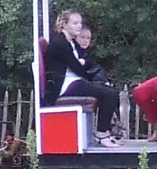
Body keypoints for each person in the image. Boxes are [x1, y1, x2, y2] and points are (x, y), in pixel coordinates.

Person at [44, 8, 121, 145]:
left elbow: (85, 62)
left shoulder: (70, 42)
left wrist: (84, 64)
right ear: (64, 24)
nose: (79, 26)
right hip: (64, 85)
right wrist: (85, 67)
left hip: (73, 80)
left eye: (80, 23)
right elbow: (79, 68)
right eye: (75, 23)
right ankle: (102, 134)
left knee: (109, 91)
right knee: (110, 94)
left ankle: (105, 131)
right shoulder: (60, 43)